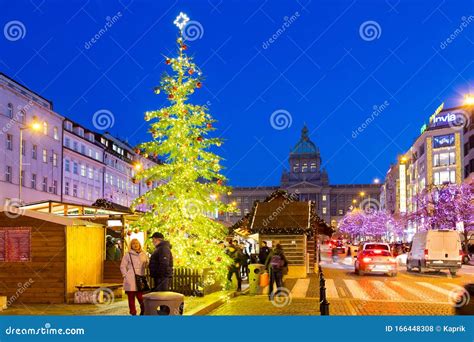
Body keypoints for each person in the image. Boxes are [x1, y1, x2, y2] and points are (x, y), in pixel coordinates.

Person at [120, 238, 149, 315]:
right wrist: (125, 275)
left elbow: (146, 264)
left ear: (139, 244)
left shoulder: (143, 254)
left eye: (137, 243)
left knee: (141, 297)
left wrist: (147, 264)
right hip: (131, 278)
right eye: (133, 243)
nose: (135, 245)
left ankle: (143, 311)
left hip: (140, 278)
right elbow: (122, 266)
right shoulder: (128, 255)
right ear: (131, 246)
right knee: (131, 298)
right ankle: (133, 313)